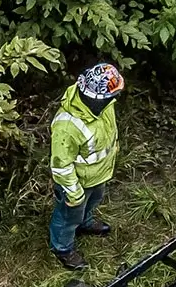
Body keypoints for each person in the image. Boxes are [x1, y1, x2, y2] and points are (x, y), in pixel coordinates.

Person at [49, 63, 124, 270]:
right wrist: (74, 194)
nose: (115, 99)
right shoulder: (67, 126)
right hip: (77, 184)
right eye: (113, 95)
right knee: (67, 216)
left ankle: (85, 221)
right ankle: (62, 247)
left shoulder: (104, 106)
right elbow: (61, 166)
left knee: (94, 200)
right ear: (96, 98)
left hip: (98, 176)